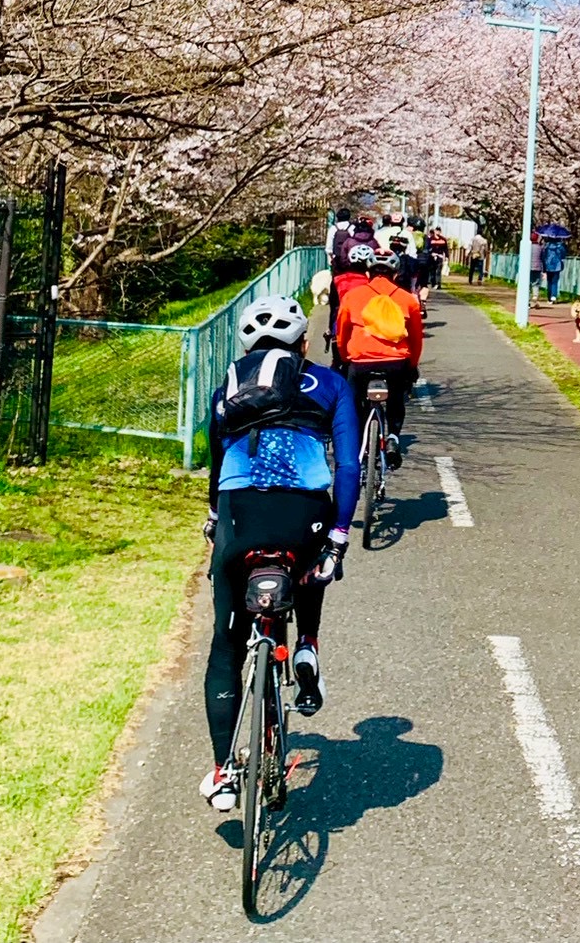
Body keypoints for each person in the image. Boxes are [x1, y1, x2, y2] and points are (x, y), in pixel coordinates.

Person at [200, 294, 360, 812]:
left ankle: (225, 772)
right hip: (303, 516)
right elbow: (350, 467)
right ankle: (307, 645)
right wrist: (338, 533)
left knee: (225, 645)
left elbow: (217, 459)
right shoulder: (331, 383)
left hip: (239, 513)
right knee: (313, 565)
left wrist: (214, 518)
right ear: (304, 343)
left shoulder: (227, 383)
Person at [336, 250, 423, 469]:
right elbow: (416, 338)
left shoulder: (352, 296)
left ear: (368, 273)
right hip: (396, 362)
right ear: (395, 274)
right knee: (395, 400)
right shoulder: (408, 300)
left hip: (360, 362)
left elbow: (342, 333)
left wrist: (346, 357)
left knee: (353, 402)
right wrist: (412, 365)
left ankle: (357, 442)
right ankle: (393, 437)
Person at [541, 234, 567, 303]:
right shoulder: (560, 247)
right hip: (557, 266)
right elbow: (563, 255)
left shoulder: (546, 246)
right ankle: (553, 296)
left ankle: (549, 298)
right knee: (555, 282)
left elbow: (543, 256)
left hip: (548, 266)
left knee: (549, 281)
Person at [529, 231, 544, 305]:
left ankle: (527, 300)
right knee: (536, 283)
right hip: (537, 267)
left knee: (527, 283)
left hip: (528, 267)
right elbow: (542, 257)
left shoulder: (527, 247)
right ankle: (535, 296)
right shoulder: (540, 248)